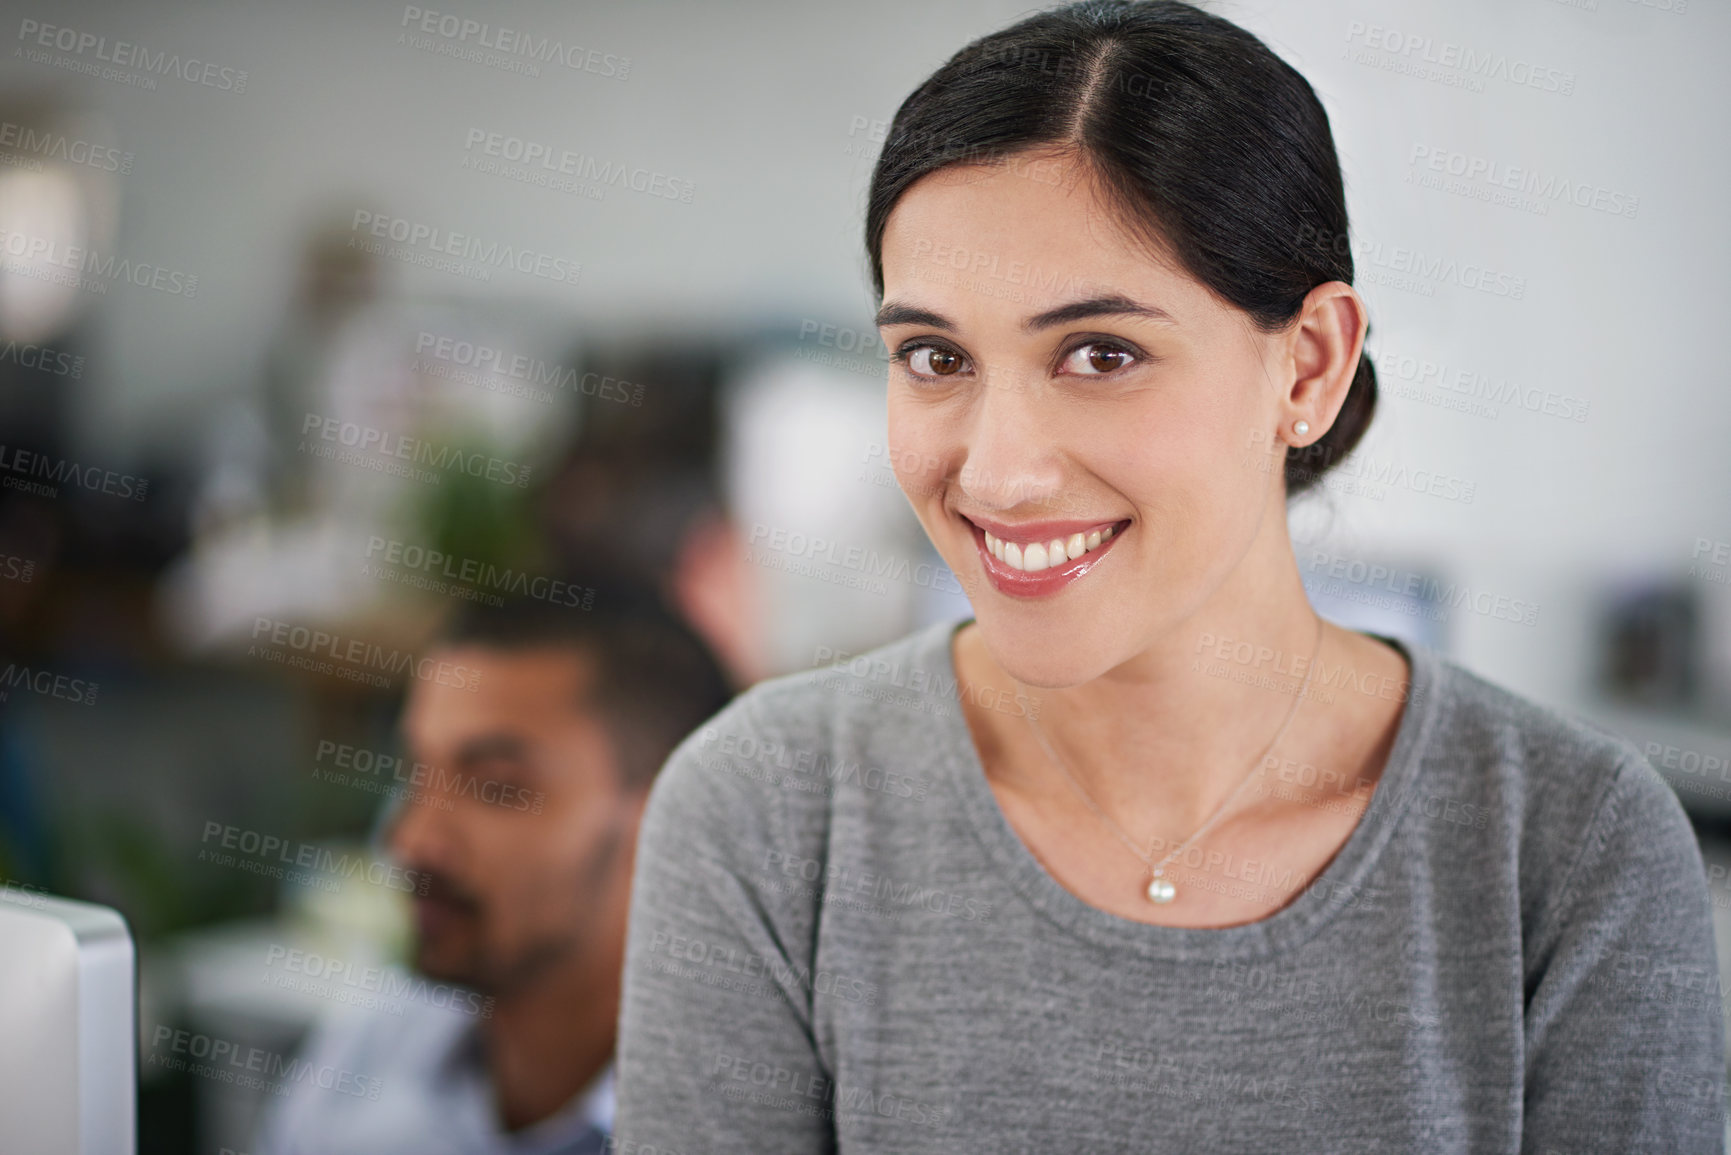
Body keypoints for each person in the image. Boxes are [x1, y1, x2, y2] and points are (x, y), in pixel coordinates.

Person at [611, 2, 1726, 1151]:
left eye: (1102, 354)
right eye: (935, 359)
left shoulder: (1571, 850)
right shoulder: (770, 813)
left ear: (1309, 365)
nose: (998, 472)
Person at [253, 584, 733, 1154]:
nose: (409, 841)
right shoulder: (369, 1056)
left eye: (496, 788)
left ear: (668, 819)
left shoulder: (747, 1124)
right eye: (415, 773)